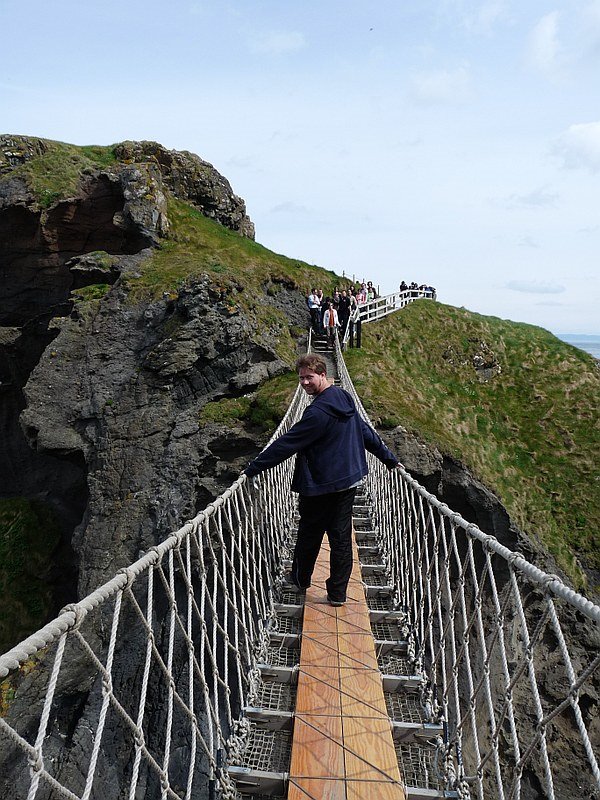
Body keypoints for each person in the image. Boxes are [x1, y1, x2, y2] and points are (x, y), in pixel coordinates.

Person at [243, 354, 401, 605]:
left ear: (323, 375)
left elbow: (288, 443)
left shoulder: (317, 413)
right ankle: (337, 594)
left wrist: (254, 468)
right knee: (340, 538)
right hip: (348, 480)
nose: (304, 382)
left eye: (309, 377)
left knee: (309, 534)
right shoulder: (344, 397)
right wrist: (388, 458)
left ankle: (299, 580)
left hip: (320, 485)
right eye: (301, 378)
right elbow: (363, 430)